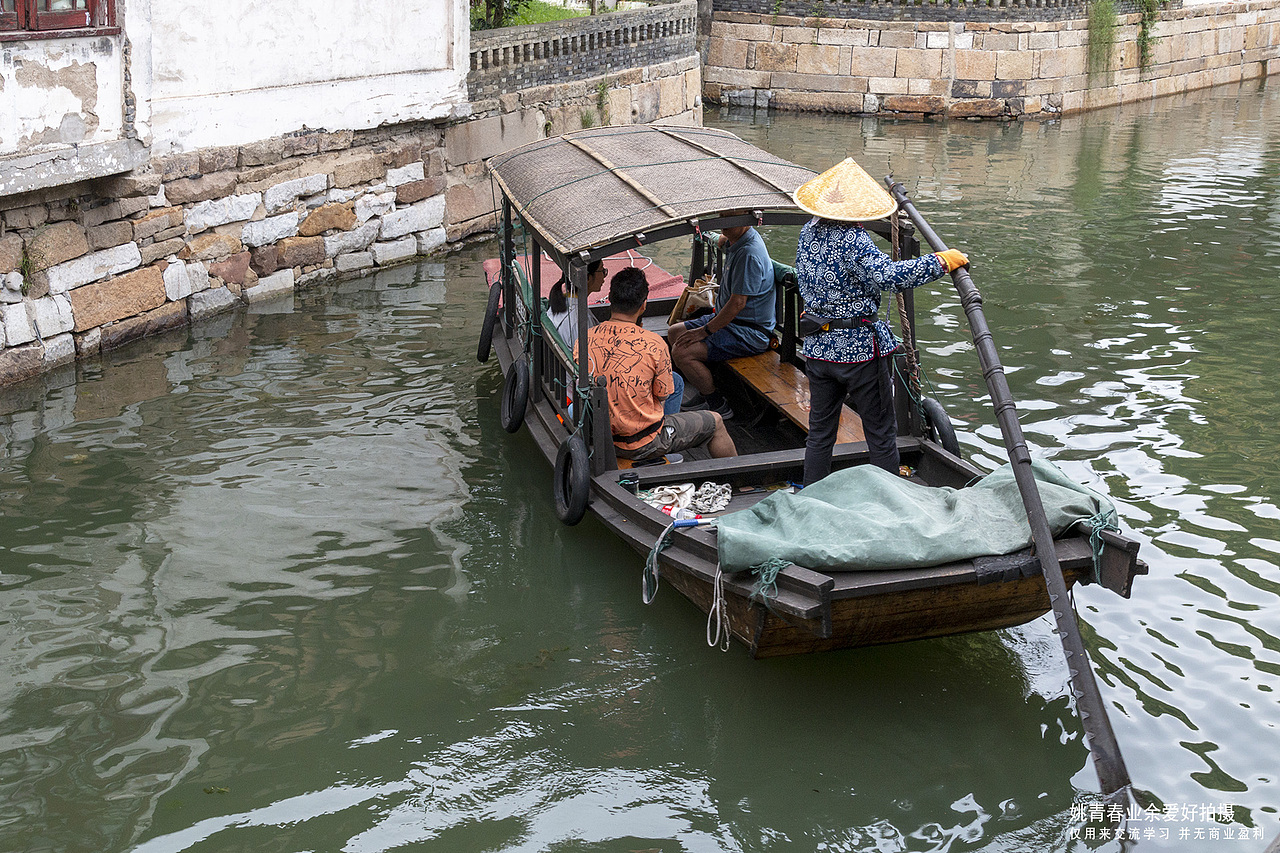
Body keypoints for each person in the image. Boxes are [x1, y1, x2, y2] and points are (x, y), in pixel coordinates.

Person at [792, 157, 968, 485]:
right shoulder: (854, 240)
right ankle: (890, 502)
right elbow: (889, 276)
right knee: (881, 434)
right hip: (859, 353)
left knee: (819, 435)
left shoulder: (808, 232)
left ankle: (811, 496)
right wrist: (941, 263)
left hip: (818, 348)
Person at [580, 266, 736, 462]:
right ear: (644, 305)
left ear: (610, 299)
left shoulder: (584, 339)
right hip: (643, 443)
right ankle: (737, 482)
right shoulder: (654, 343)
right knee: (716, 422)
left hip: (599, 436)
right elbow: (662, 394)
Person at [667, 220, 775, 419]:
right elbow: (722, 240)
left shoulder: (749, 254)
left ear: (747, 220)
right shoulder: (737, 239)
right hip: (729, 320)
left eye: (730, 217)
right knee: (675, 332)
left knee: (682, 352)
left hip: (747, 331)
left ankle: (718, 405)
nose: (724, 220)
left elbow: (737, 304)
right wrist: (707, 233)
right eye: (723, 215)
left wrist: (704, 331)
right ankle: (704, 389)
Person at [546, 259, 605, 349]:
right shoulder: (581, 320)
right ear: (587, 278)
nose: (604, 276)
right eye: (602, 270)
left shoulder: (562, 301)